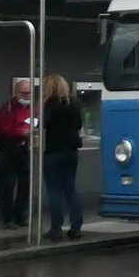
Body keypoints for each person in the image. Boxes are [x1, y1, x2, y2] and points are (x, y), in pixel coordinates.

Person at [41, 73, 84, 241]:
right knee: (70, 189)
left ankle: (56, 229)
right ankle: (76, 227)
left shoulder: (50, 104)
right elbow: (79, 124)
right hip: (71, 151)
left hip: (54, 150)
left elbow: (44, 123)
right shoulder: (74, 103)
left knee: (54, 192)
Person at [0, 79, 32, 229]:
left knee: (25, 184)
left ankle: (20, 216)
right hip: (9, 149)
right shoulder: (7, 108)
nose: (27, 96)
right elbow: (2, 129)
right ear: (16, 92)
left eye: (29, 93)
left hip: (24, 148)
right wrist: (20, 132)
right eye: (24, 93)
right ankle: (8, 218)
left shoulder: (33, 108)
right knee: (7, 184)